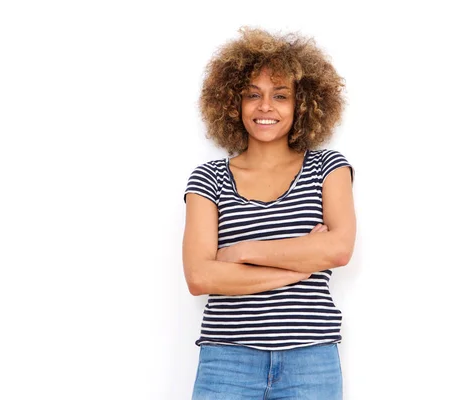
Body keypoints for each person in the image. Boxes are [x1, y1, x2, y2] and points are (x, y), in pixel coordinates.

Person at [182, 27, 356, 400]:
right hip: (227, 359)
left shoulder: (328, 168)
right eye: (252, 95)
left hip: (310, 359)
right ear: (231, 103)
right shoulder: (209, 178)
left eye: (280, 95)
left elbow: (339, 249)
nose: (265, 107)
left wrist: (244, 252)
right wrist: (302, 264)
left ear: (303, 104)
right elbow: (199, 276)